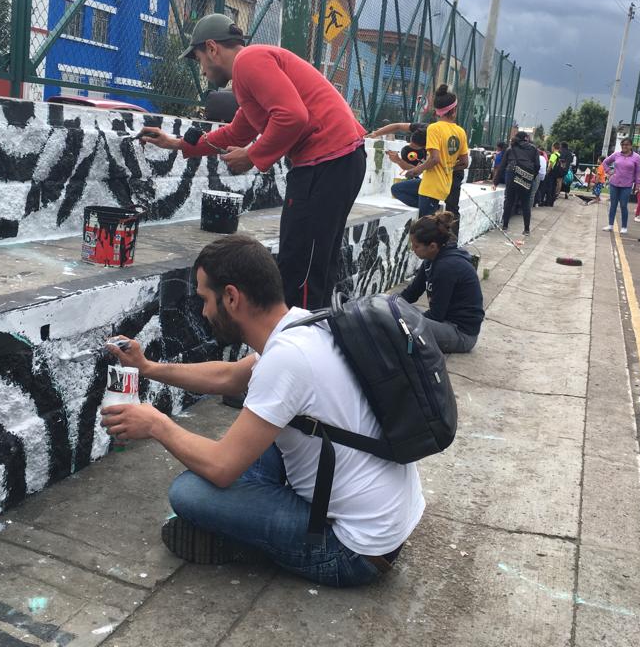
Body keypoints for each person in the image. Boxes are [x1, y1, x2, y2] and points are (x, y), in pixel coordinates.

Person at [101, 235, 423, 585]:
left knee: (190, 492)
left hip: (353, 552)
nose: (205, 311)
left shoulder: (287, 359)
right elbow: (230, 377)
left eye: (205, 299)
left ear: (232, 297)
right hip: (387, 522)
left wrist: (156, 424)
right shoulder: (303, 324)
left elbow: (222, 469)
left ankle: (245, 542)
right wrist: (148, 367)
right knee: (237, 448)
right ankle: (249, 520)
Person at [140, 14, 366, 310]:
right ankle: (313, 341)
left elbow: (293, 116)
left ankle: (299, 347)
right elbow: (237, 131)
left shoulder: (249, 62)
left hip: (327, 161)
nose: (203, 71)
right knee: (313, 265)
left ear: (211, 48)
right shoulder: (250, 76)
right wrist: (178, 144)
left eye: (199, 61)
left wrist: (252, 156)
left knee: (300, 269)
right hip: (338, 159)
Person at [398, 211, 484, 353]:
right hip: (444, 322)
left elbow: (436, 315)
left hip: (461, 333)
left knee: (401, 327)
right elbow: (412, 293)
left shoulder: (446, 267)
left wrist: (402, 318)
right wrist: (387, 305)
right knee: (397, 315)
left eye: (416, 246)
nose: (413, 250)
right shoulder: (432, 259)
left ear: (432, 246)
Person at [390, 85, 467, 217]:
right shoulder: (460, 132)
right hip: (444, 185)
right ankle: (432, 208)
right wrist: (448, 166)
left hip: (430, 187)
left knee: (426, 228)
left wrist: (416, 170)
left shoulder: (434, 128)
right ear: (454, 110)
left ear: (437, 112)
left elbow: (435, 159)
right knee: (397, 189)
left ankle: (431, 209)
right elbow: (465, 162)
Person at [500, 129, 540, 236]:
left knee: (509, 201)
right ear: (526, 138)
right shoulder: (534, 149)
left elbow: (502, 166)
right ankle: (526, 229)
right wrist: (530, 176)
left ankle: (505, 226)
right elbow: (537, 166)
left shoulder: (511, 148)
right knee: (526, 204)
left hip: (512, 176)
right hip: (526, 178)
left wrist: (495, 181)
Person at [601, 138, 640, 233]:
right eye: (623, 144)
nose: (624, 146)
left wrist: (637, 184)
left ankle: (624, 227)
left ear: (631, 146)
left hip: (627, 185)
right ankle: (610, 225)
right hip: (614, 183)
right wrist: (609, 171)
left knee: (623, 205)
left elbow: (638, 172)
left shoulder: (636, 157)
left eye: (627, 145)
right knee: (613, 205)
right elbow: (605, 162)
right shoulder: (616, 154)